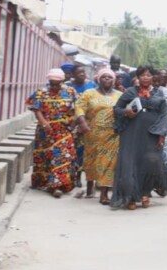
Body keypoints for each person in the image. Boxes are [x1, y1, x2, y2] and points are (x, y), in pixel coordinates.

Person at [111, 65, 167, 210]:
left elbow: (163, 115)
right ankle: (130, 197)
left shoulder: (159, 93)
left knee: (150, 164)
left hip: (151, 135)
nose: (146, 78)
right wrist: (126, 112)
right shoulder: (130, 92)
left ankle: (145, 193)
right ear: (138, 77)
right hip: (131, 134)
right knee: (130, 165)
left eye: (149, 75)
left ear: (153, 77)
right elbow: (116, 109)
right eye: (143, 75)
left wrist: (161, 134)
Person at [27, 68, 78, 198]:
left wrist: (73, 123)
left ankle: (57, 186)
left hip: (63, 131)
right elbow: (36, 109)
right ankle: (44, 182)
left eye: (57, 83)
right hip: (46, 131)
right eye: (52, 83)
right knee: (47, 158)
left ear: (63, 81)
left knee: (62, 157)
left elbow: (78, 108)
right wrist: (44, 122)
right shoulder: (41, 93)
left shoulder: (70, 91)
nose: (54, 86)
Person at [75, 68, 122, 204]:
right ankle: (90, 187)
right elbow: (79, 107)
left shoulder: (119, 95)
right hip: (91, 133)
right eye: (104, 77)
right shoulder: (89, 94)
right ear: (98, 79)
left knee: (108, 163)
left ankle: (104, 194)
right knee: (91, 162)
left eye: (110, 77)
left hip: (112, 135)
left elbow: (124, 110)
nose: (107, 79)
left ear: (113, 80)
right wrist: (82, 122)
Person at [67, 64, 98, 188]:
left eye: (83, 72)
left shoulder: (92, 86)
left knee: (82, 151)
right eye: (79, 72)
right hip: (70, 124)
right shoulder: (68, 86)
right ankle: (69, 176)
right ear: (73, 74)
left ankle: (78, 177)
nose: (82, 74)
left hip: (86, 124)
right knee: (70, 151)